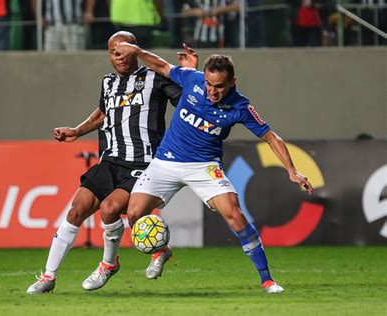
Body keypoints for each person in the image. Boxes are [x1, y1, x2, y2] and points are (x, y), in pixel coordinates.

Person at [114, 42, 314, 293]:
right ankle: (162, 251)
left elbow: (270, 137)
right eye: (209, 84)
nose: (212, 91)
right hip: (166, 161)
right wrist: (137, 51)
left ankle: (267, 279)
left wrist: (291, 170)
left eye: (219, 86)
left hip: (204, 166)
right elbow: (163, 67)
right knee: (133, 215)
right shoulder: (192, 79)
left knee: (236, 216)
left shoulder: (241, 107)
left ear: (232, 82)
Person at [26, 31, 198, 294]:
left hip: (142, 162)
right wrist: (76, 130)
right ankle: (48, 276)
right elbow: (103, 113)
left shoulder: (156, 78)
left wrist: (189, 75)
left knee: (109, 209)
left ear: (134, 50)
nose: (117, 55)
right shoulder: (108, 83)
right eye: (112, 51)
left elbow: (189, 101)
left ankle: (108, 264)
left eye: (123, 49)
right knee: (76, 210)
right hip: (110, 160)